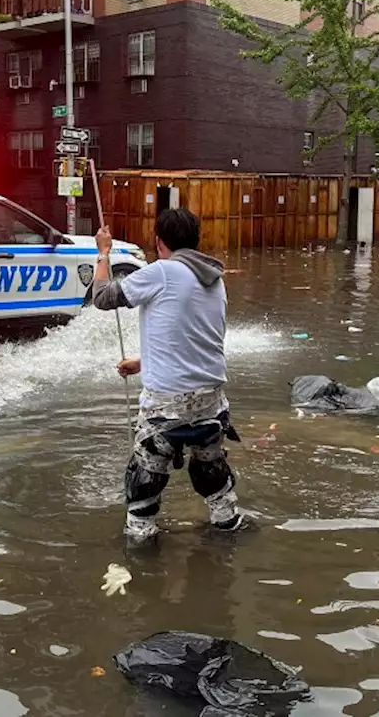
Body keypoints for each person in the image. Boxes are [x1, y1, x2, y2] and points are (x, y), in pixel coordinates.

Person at [92, 208, 248, 542]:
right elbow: (194, 339)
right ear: (196, 240)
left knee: (144, 481)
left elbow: (102, 298)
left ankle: (142, 550)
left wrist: (102, 254)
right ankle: (227, 529)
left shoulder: (161, 271)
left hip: (167, 407)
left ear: (159, 242)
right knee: (212, 474)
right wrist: (144, 362)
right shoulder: (214, 279)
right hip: (212, 402)